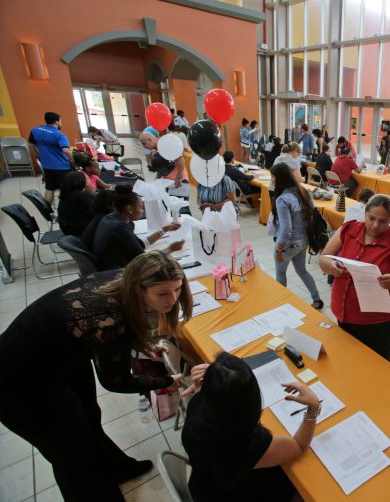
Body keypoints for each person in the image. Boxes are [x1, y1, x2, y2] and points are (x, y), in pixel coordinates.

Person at [0, 251, 192, 501]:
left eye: (177, 289)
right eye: (163, 293)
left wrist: (143, 345)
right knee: (71, 453)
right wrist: (166, 381)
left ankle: (116, 469)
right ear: (140, 288)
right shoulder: (108, 317)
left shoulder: (125, 279)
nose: (172, 299)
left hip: (61, 355)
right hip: (18, 380)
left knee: (89, 417)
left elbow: (115, 333)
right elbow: (116, 381)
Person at [181, 352, 320, 501]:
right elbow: (299, 445)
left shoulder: (197, 403)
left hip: (204, 485)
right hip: (233, 493)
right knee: (297, 480)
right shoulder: (248, 443)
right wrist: (313, 407)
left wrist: (218, 376)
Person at [320, 194, 390, 361]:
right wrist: (332, 267)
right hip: (344, 314)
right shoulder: (348, 230)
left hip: (376, 323)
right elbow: (324, 257)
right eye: (371, 218)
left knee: (375, 366)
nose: (375, 225)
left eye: (383, 221)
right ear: (364, 213)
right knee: (347, 360)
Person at [270, 163, 324, 310]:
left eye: (273, 177)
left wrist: (280, 249)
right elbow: (312, 215)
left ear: (279, 179)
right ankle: (317, 299)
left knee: (281, 274)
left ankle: (281, 305)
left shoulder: (282, 199)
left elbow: (286, 229)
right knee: (302, 271)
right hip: (303, 242)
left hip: (287, 245)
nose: (272, 180)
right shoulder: (303, 191)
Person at [93, 184, 183, 270]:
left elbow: (141, 244)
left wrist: (165, 229)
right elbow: (145, 262)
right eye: (140, 207)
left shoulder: (111, 218)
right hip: (114, 274)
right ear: (130, 209)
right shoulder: (120, 229)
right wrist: (171, 249)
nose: (142, 211)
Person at [28, 111, 72, 205]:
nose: (61, 123)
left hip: (47, 165)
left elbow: (31, 144)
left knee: (50, 188)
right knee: (67, 190)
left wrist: (37, 155)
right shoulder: (59, 135)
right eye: (61, 121)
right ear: (57, 121)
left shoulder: (35, 130)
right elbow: (66, 150)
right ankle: (66, 209)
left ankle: (47, 211)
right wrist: (74, 161)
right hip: (62, 167)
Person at [57, 171, 95, 237]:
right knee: (101, 217)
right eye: (87, 179)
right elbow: (96, 208)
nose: (89, 181)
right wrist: (89, 187)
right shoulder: (78, 195)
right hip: (73, 229)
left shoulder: (67, 192)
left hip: (66, 226)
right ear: (81, 181)